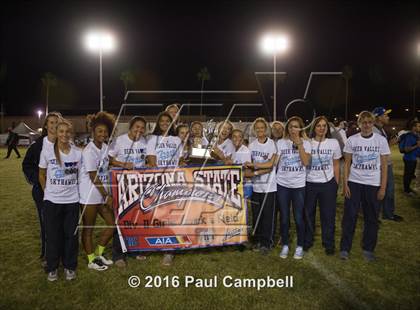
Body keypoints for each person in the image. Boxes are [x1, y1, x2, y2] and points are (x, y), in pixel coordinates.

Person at [340, 111, 390, 262]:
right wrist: (345, 184)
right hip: (355, 183)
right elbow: (347, 164)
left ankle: (368, 249)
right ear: (359, 124)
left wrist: (382, 187)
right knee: (350, 216)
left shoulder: (380, 140)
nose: (367, 125)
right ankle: (344, 248)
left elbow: (384, 167)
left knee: (372, 218)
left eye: (369, 122)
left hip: (373, 184)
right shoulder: (352, 140)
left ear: (373, 123)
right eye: (364, 122)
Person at [38, 119, 82, 281]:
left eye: (67, 132)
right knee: (53, 236)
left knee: (71, 235)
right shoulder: (47, 152)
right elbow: (41, 174)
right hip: (52, 201)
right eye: (61, 131)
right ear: (56, 133)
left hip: (72, 201)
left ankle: (70, 267)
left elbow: (81, 175)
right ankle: (52, 267)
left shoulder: (78, 153)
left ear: (71, 134)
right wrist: (47, 192)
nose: (64, 134)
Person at [22, 111, 62, 267]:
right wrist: (38, 181)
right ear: (46, 125)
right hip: (43, 192)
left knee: (61, 224)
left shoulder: (64, 142)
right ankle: (47, 254)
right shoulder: (38, 145)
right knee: (47, 224)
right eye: (51, 122)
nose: (54, 125)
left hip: (63, 192)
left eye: (56, 122)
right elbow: (26, 165)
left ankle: (61, 252)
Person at [108, 116, 148, 267]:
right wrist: (123, 164)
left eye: (142, 128)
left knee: (137, 218)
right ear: (131, 126)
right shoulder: (120, 140)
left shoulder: (144, 142)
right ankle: (118, 254)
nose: (139, 130)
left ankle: (136, 249)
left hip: (139, 185)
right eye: (137, 126)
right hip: (121, 185)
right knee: (121, 219)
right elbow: (109, 159)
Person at [79, 112, 116, 271]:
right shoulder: (89, 150)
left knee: (112, 225)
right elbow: (93, 176)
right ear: (93, 132)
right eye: (99, 131)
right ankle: (90, 259)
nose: (103, 134)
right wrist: (107, 195)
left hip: (101, 195)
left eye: (105, 131)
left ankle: (99, 254)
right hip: (89, 195)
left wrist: (124, 164)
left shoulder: (105, 147)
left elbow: (110, 161)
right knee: (89, 228)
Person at [146, 111, 183, 265]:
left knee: (171, 216)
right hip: (158, 181)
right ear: (158, 123)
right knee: (157, 215)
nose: (165, 123)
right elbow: (152, 160)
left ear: (171, 123)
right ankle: (153, 244)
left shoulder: (176, 139)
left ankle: (169, 250)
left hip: (174, 181)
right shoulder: (153, 139)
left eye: (167, 121)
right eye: (162, 121)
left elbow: (180, 160)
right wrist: (161, 177)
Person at [304, 116, 341, 255]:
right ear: (314, 128)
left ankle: (329, 243)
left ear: (327, 128)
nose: (321, 128)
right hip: (310, 183)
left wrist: (336, 183)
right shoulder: (307, 143)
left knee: (328, 215)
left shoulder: (333, 143)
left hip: (328, 184)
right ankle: (308, 241)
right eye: (318, 125)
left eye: (324, 125)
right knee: (308, 215)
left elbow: (336, 164)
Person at [275, 116, 311, 260]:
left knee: (298, 217)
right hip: (282, 184)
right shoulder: (281, 143)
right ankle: (285, 244)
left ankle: (300, 246)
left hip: (298, 185)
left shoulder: (307, 143)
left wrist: (299, 144)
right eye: (290, 127)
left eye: (296, 126)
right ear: (287, 129)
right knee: (284, 217)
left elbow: (306, 162)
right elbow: (275, 162)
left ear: (300, 128)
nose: (293, 129)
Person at [244, 118, 278, 255]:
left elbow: (270, 165)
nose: (259, 130)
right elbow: (248, 165)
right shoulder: (251, 146)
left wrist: (255, 170)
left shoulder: (272, 144)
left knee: (268, 216)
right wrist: (251, 171)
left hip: (269, 186)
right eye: (257, 128)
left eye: (262, 128)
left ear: (266, 129)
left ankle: (267, 243)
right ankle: (257, 241)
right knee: (257, 215)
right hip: (256, 186)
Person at [372, 107, 403, 221]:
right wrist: (391, 143)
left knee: (386, 190)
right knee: (385, 190)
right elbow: (377, 150)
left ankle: (386, 213)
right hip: (380, 165)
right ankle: (384, 214)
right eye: (385, 115)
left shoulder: (381, 129)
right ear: (378, 117)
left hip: (385, 163)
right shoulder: (374, 131)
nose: (388, 117)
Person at [400, 119, 420, 197]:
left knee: (411, 175)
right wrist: (416, 146)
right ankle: (406, 191)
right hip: (409, 159)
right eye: (419, 126)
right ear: (413, 127)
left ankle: (408, 188)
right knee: (407, 175)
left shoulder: (416, 135)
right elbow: (407, 149)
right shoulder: (409, 136)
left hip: (414, 158)